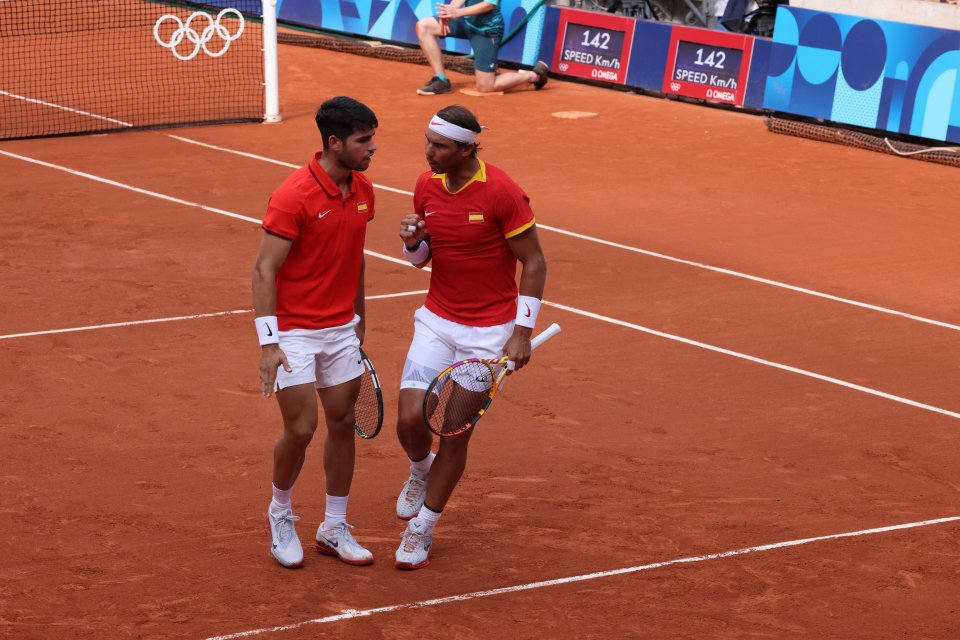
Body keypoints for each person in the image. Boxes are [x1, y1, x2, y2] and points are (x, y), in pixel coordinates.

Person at [393, 105, 548, 569]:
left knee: (455, 435)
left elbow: (535, 262)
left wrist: (522, 333)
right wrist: (411, 242)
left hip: (488, 335)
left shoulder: (501, 192)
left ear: (466, 148)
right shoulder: (426, 186)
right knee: (410, 421)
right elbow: (423, 258)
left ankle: (423, 527)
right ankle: (420, 470)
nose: (428, 153)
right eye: (427, 142)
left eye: (439, 146)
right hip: (437, 321)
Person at [252, 96, 378, 569]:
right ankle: (280, 514)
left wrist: (359, 319)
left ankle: (334, 525)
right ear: (335, 142)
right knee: (302, 428)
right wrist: (269, 343)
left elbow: (355, 255)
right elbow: (265, 269)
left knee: (343, 423)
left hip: (341, 328)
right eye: (363, 140)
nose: (372, 148)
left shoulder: (364, 190)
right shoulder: (294, 195)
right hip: (295, 333)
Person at [414, 1, 549, 95]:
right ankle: (441, 79)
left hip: (486, 31)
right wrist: (448, 14)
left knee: (486, 86)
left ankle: (534, 76)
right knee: (423, 26)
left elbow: (489, 4)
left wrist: (458, 12)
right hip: (465, 21)